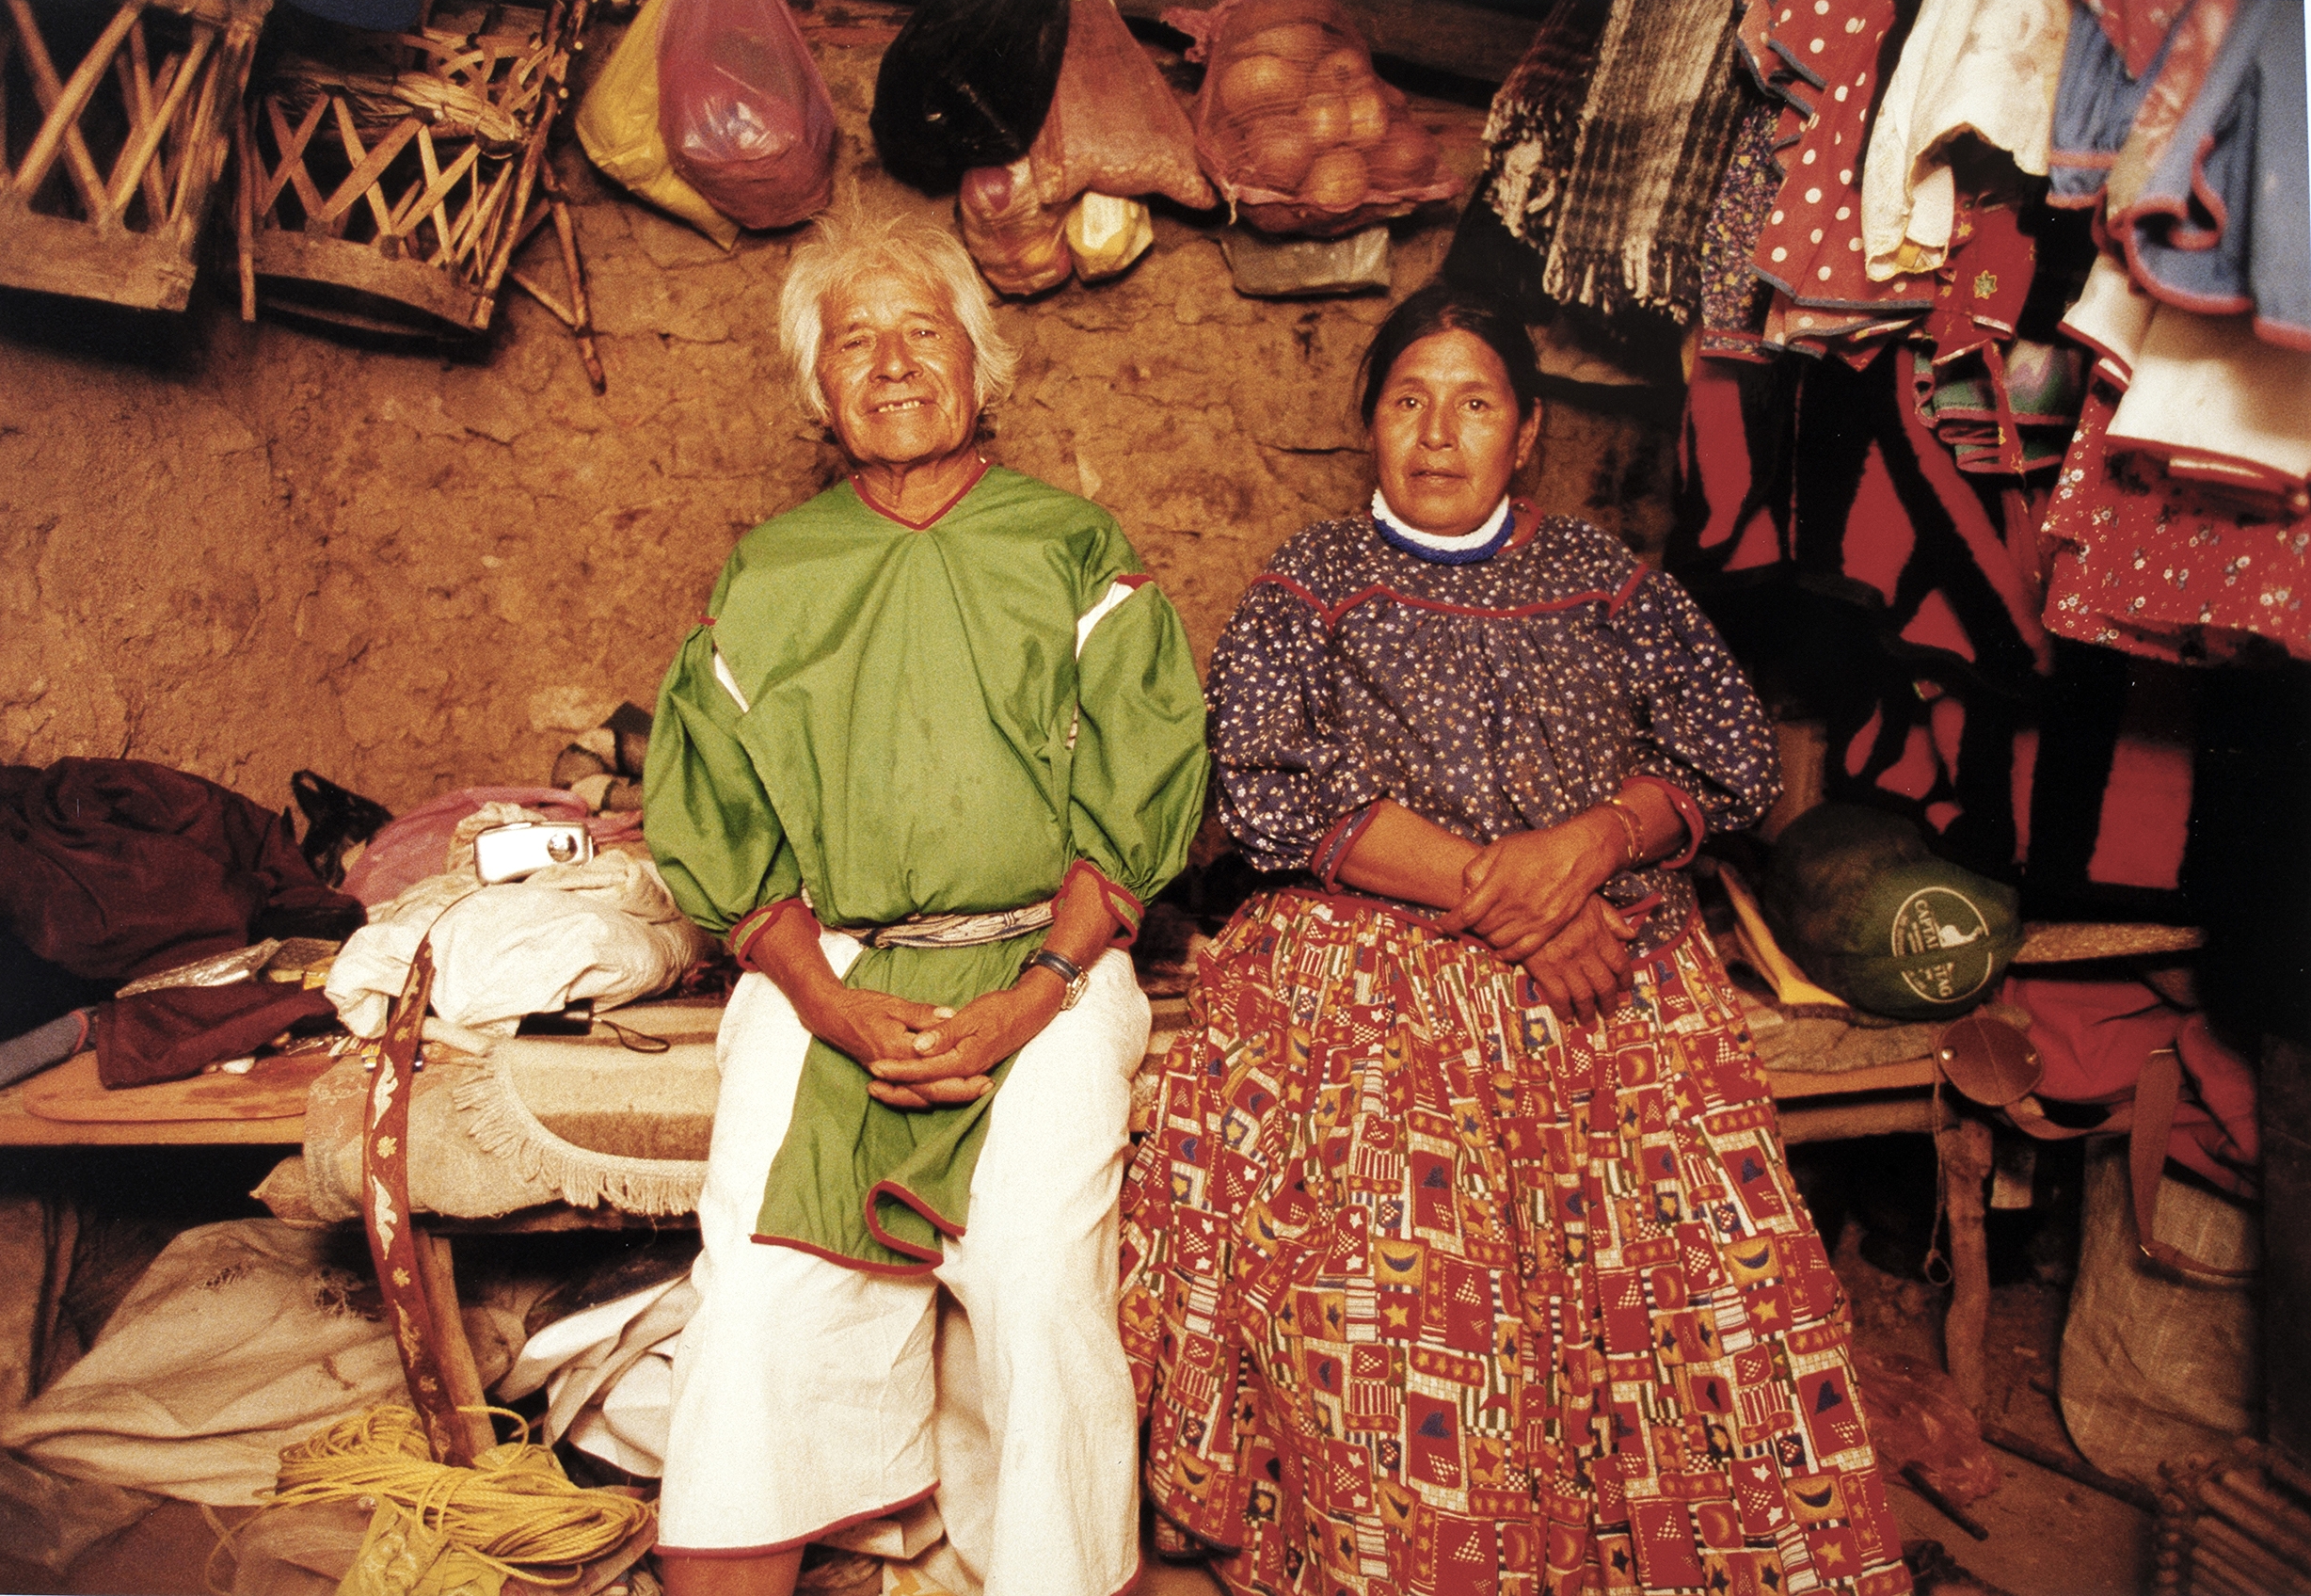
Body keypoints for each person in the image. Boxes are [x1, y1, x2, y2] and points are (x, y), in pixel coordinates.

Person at [1118, 283, 1914, 1596]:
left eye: (1475, 403)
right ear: (1369, 423)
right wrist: (1507, 892)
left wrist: (1590, 848)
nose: (1438, 434)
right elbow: (1261, 789)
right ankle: (1419, 1548)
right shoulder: (1308, 586)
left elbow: (1728, 762)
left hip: (1607, 938)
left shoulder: (1612, 585)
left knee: (1710, 1242)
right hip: (1368, 946)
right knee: (1406, 1243)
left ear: (1527, 431)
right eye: (1407, 400)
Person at [644, 210, 1208, 1596]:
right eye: (855, 342)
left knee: (1030, 1276)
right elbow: (717, 822)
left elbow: (1140, 796)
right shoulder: (767, 573)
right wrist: (831, 1003)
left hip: (1053, 962)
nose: (892, 365)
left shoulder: (1075, 549)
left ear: (981, 358)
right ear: (817, 389)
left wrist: (1032, 997)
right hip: (832, 964)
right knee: (764, 1277)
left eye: (922, 331)